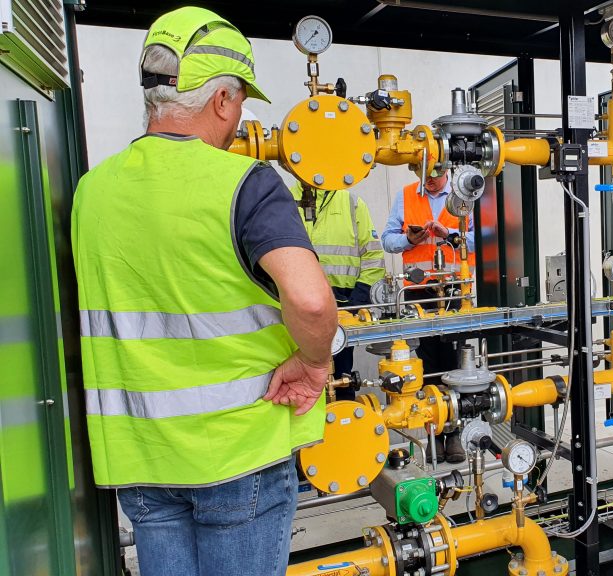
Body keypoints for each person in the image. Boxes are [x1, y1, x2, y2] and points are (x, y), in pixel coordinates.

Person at [71, 7, 337, 576]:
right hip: (238, 456)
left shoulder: (91, 192)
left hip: (142, 463)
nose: (240, 117)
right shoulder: (244, 183)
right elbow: (312, 300)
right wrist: (313, 364)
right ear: (221, 100)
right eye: (240, 100)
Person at [381, 168, 476, 463]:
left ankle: (456, 433)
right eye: (424, 173)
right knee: (426, 361)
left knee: (458, 360)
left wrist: (451, 235)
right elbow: (387, 240)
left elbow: (480, 239)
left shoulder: (465, 196)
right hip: (419, 290)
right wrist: (411, 239)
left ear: (447, 169)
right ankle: (433, 432)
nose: (429, 179)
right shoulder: (407, 195)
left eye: (434, 173)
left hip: (454, 290)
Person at [292, 185, 386, 398]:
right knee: (301, 384)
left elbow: (373, 259)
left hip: (344, 310)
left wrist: (354, 305)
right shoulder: (286, 199)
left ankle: (345, 425)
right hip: (297, 310)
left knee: (342, 380)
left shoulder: (352, 204)